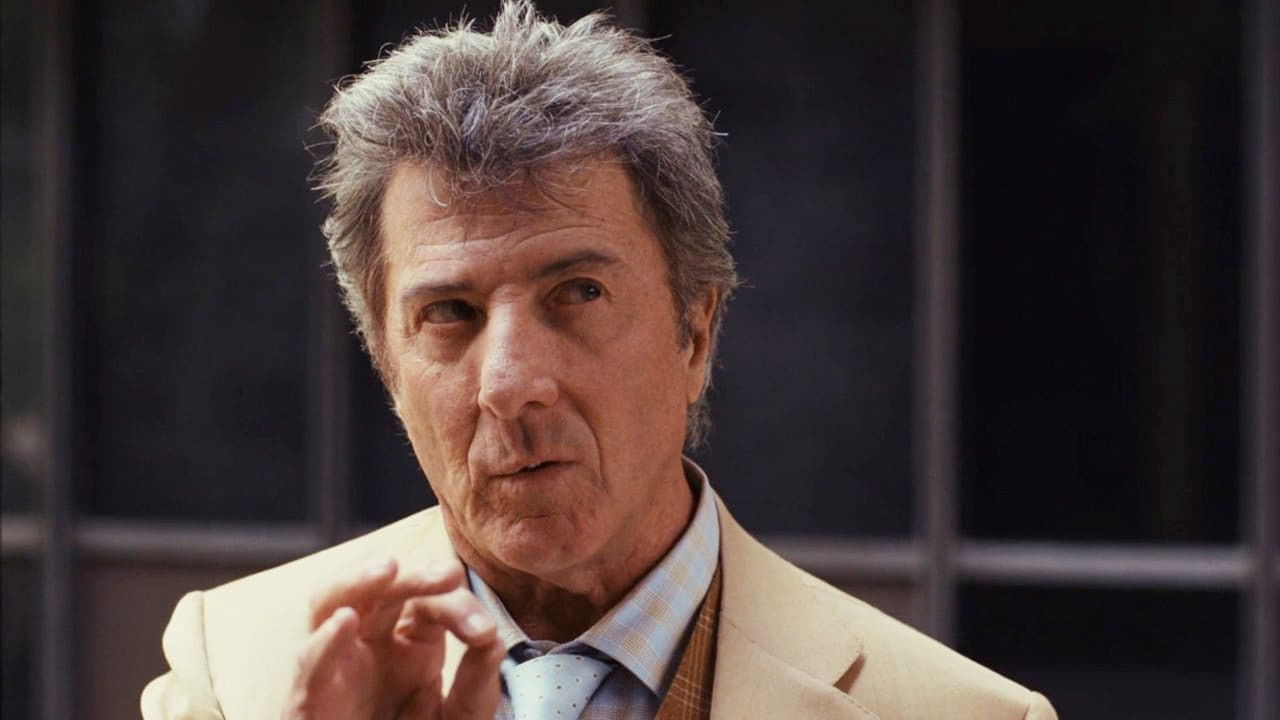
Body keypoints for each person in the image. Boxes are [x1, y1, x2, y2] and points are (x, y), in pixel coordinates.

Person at [142, 3, 1057, 718]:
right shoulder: (238, 672)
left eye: (576, 293)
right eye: (450, 313)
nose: (510, 384)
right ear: (386, 363)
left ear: (696, 331)